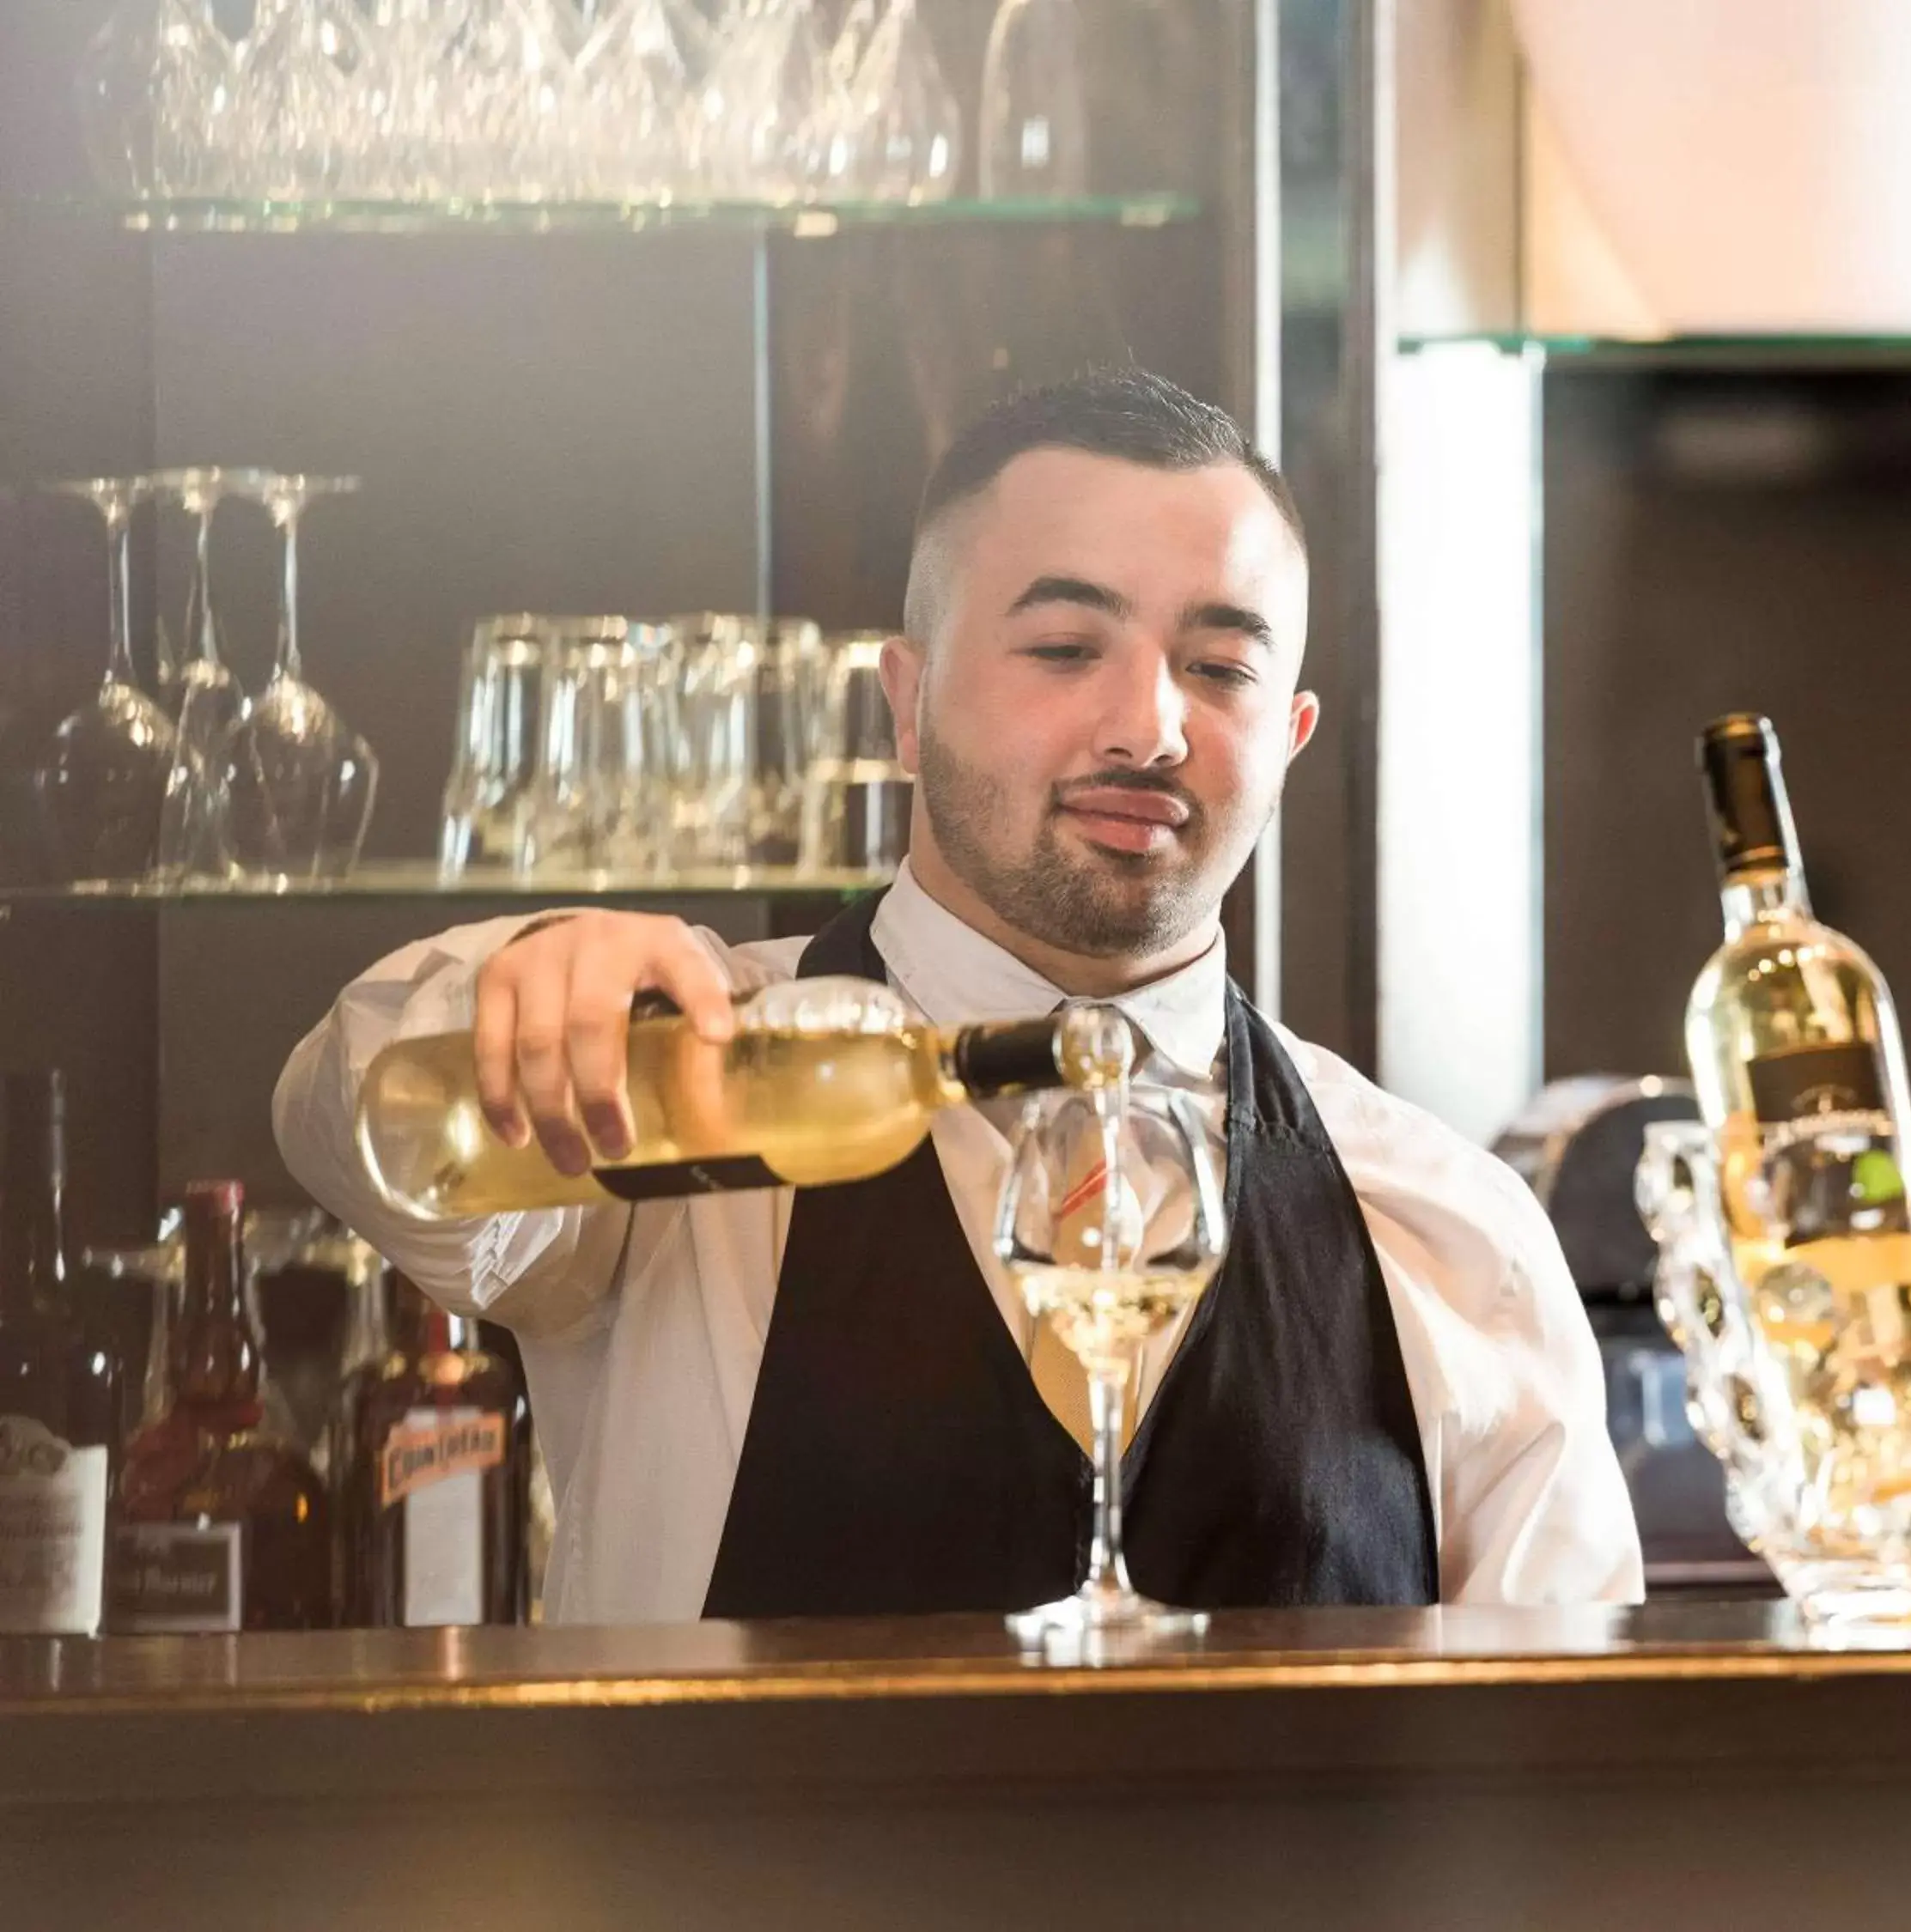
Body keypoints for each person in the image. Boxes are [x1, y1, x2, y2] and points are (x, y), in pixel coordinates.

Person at [276, 368, 1643, 1624]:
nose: (1148, 727)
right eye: (1063, 648)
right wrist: (526, 982)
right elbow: (348, 1126)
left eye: (1220, 667)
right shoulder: (690, 1094)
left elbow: (1564, 1777)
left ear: (1287, 740)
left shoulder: (1446, 1226)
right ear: (908, 701)